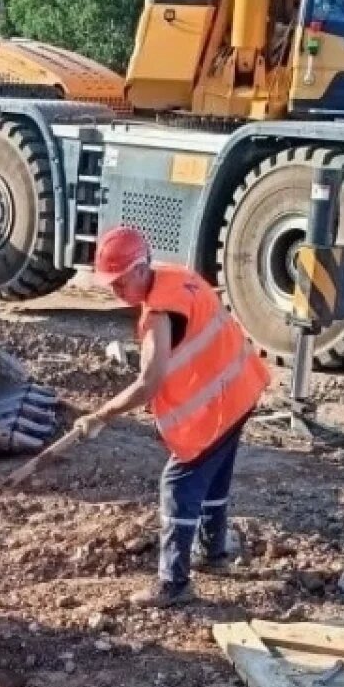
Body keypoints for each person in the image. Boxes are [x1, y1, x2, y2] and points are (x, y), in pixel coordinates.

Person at [72, 226, 271, 608]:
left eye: (119, 283)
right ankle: (214, 554)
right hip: (241, 389)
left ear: (139, 269)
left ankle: (173, 582)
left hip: (216, 406)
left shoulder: (160, 314)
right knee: (213, 479)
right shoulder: (176, 277)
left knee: (178, 484)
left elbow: (148, 383)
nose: (116, 293)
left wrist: (100, 415)